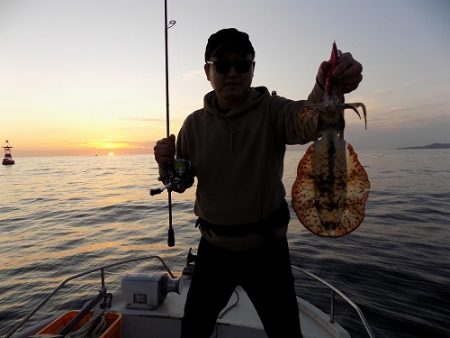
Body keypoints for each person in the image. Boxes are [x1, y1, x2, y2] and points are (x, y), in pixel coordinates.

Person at [154, 28, 363, 338]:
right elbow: (180, 182)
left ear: (253, 69)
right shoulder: (193, 125)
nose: (233, 72)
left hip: (267, 251)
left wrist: (325, 84)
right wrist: (164, 164)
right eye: (222, 65)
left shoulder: (273, 110)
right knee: (193, 331)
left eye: (243, 64)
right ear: (207, 72)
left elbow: (306, 120)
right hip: (213, 249)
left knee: (286, 333)